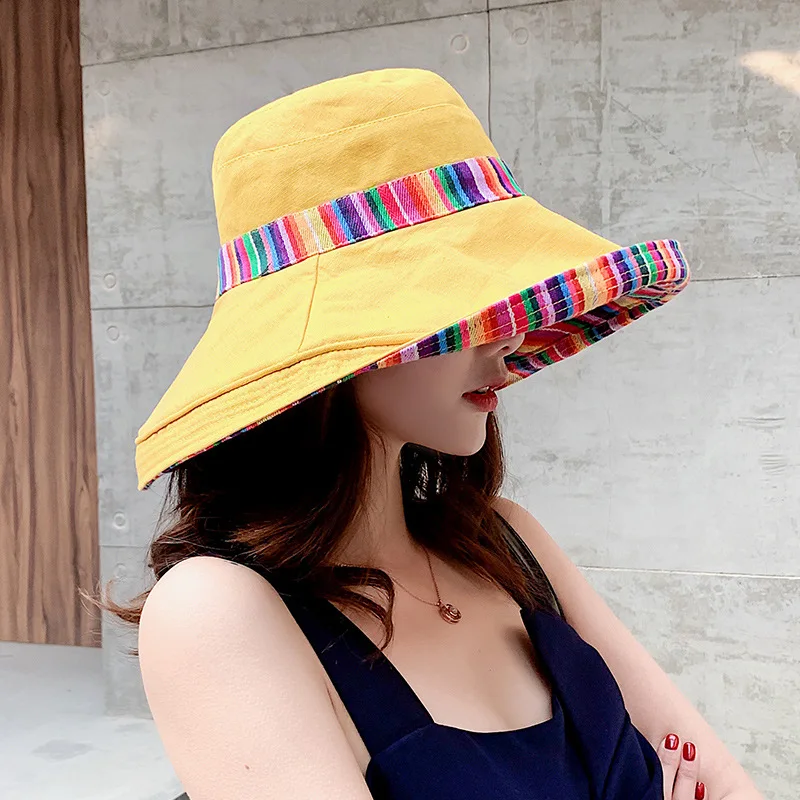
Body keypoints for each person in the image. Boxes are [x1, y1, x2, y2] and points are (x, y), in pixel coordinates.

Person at [96, 68, 763, 800]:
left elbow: (727, 786)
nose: (508, 337)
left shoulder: (504, 540)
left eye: (501, 301)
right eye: (463, 310)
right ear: (338, 347)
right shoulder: (216, 611)